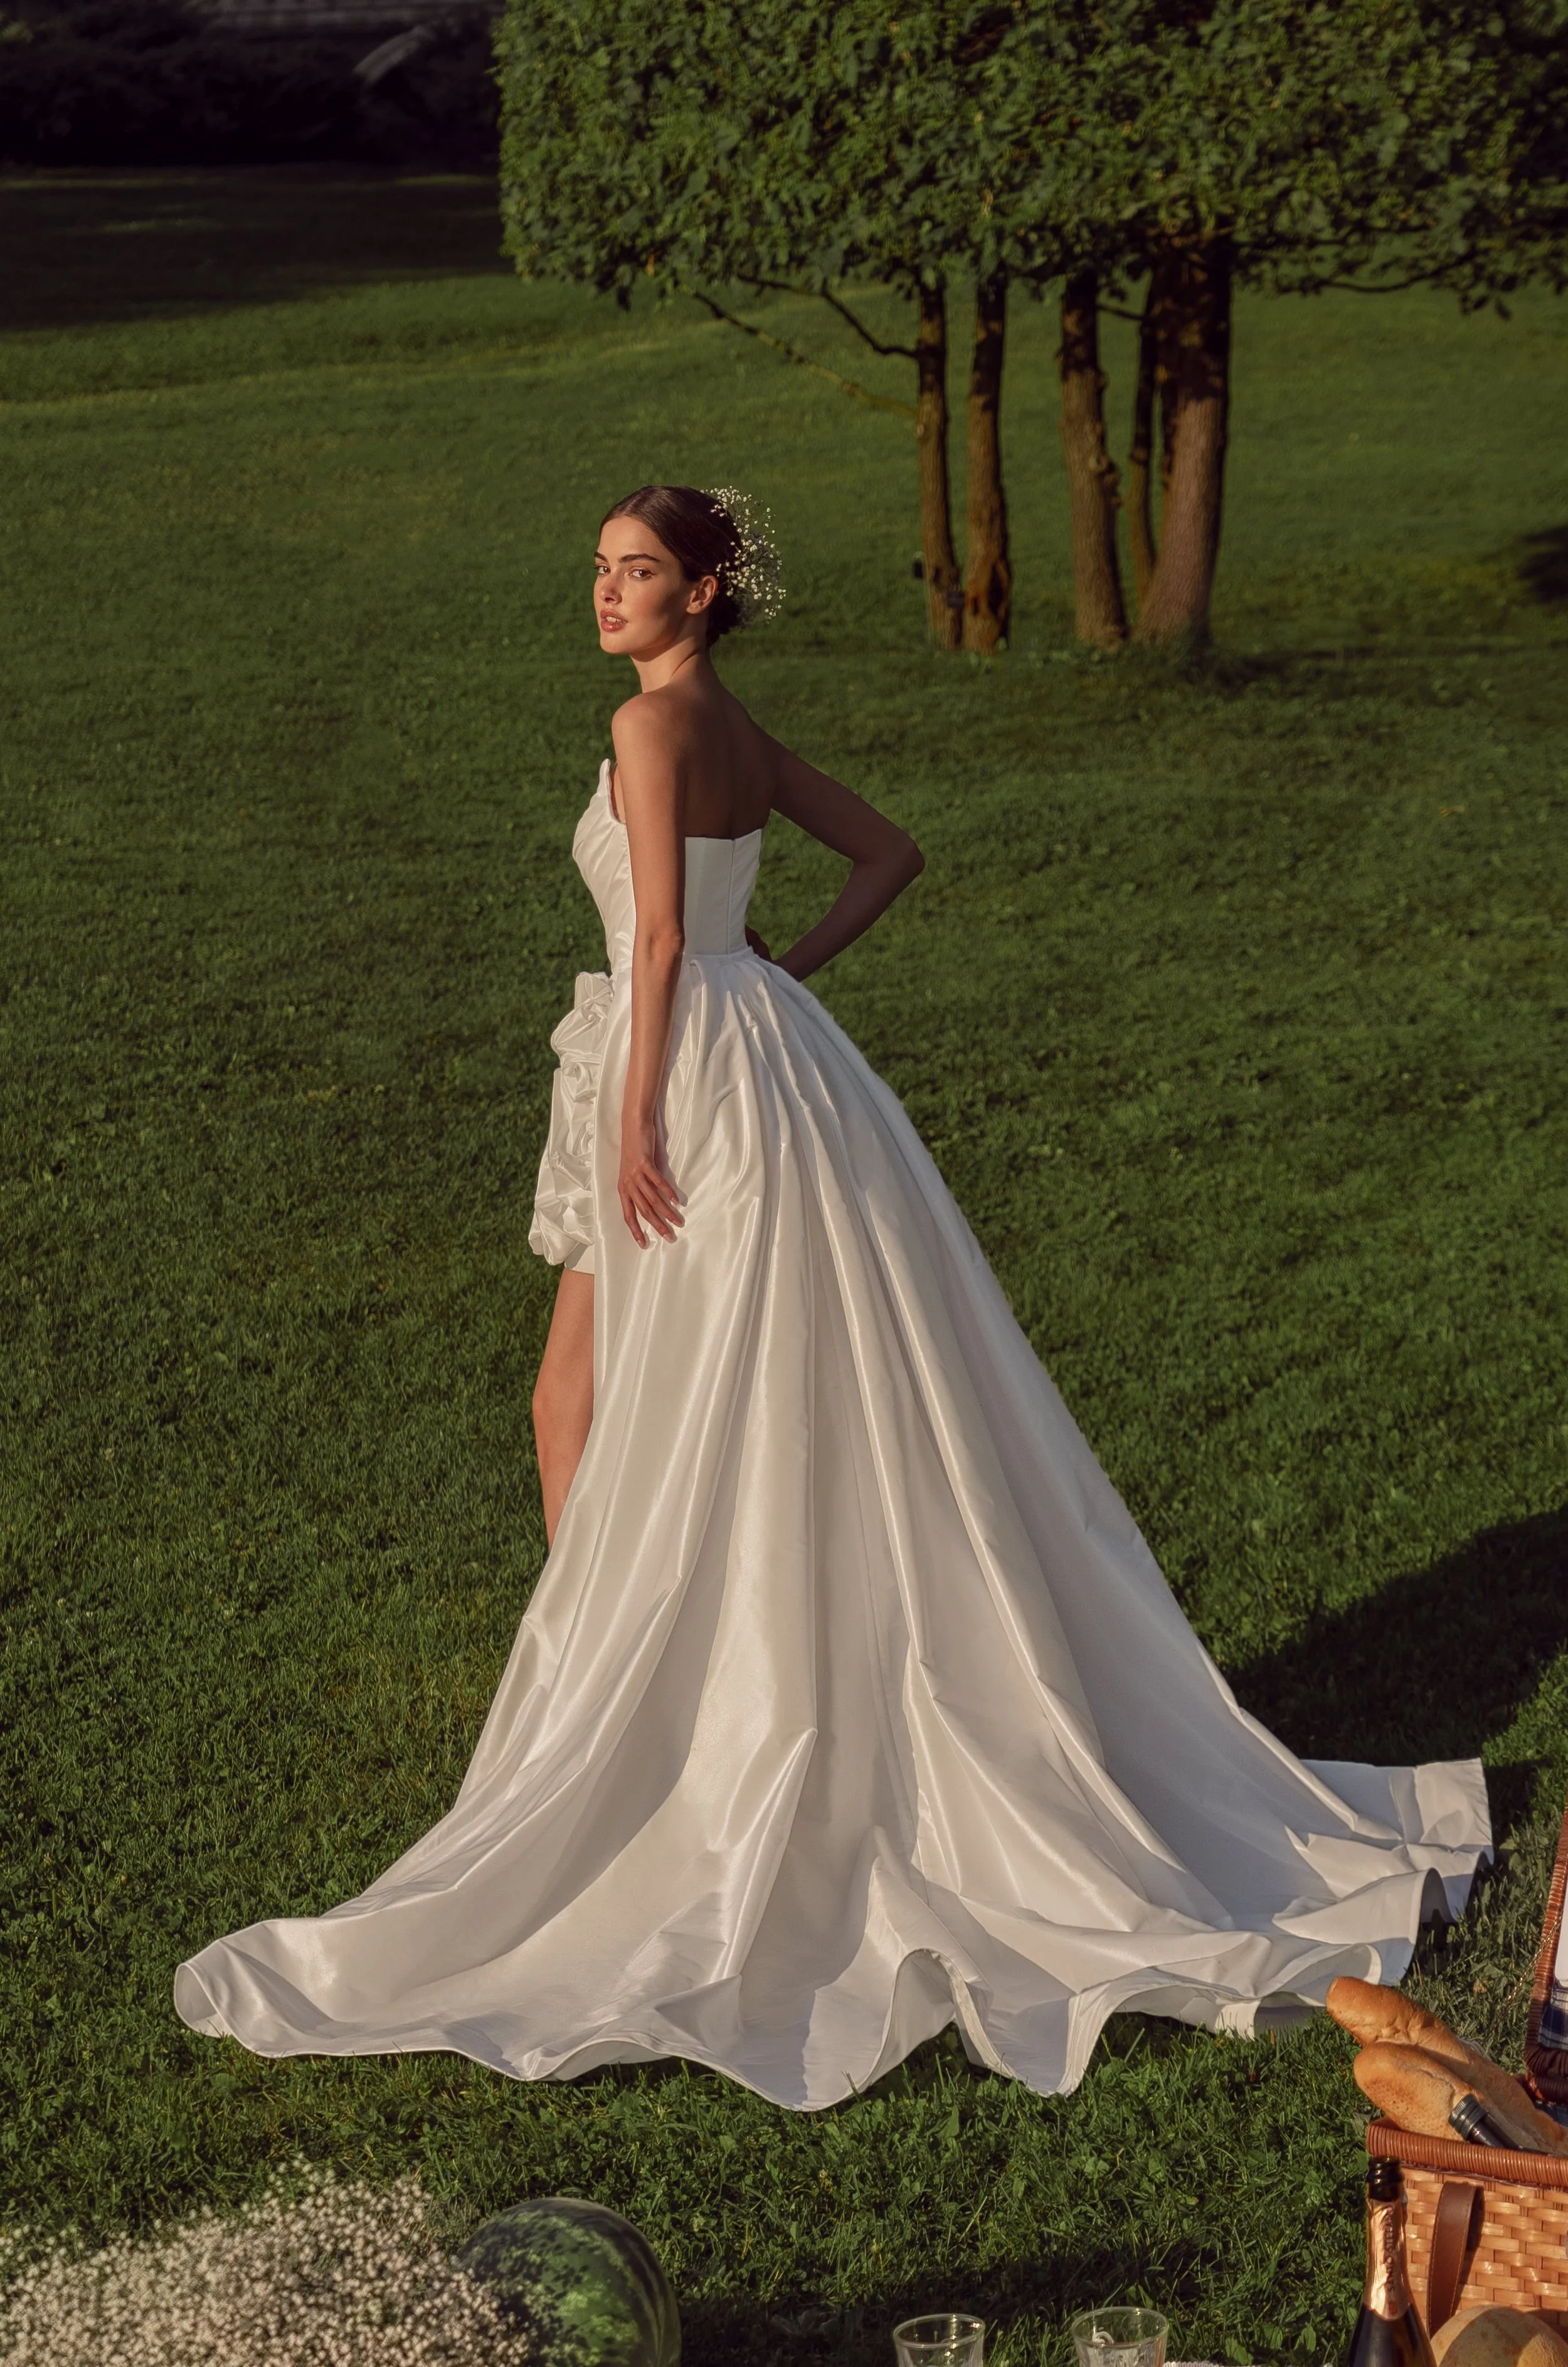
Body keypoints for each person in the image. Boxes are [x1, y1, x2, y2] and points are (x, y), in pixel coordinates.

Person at [176, 485, 1488, 2109]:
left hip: (680, 1092)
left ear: (703, 588)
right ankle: (627, 1708)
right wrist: (778, 980)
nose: (606, 592)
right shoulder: (730, 722)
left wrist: (643, 1107)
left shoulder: (651, 728)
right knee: (662, 1399)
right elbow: (885, 855)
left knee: (659, 1406)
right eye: (596, 568)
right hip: (772, 1070)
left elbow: (659, 937)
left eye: (636, 571)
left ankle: (630, 1742)